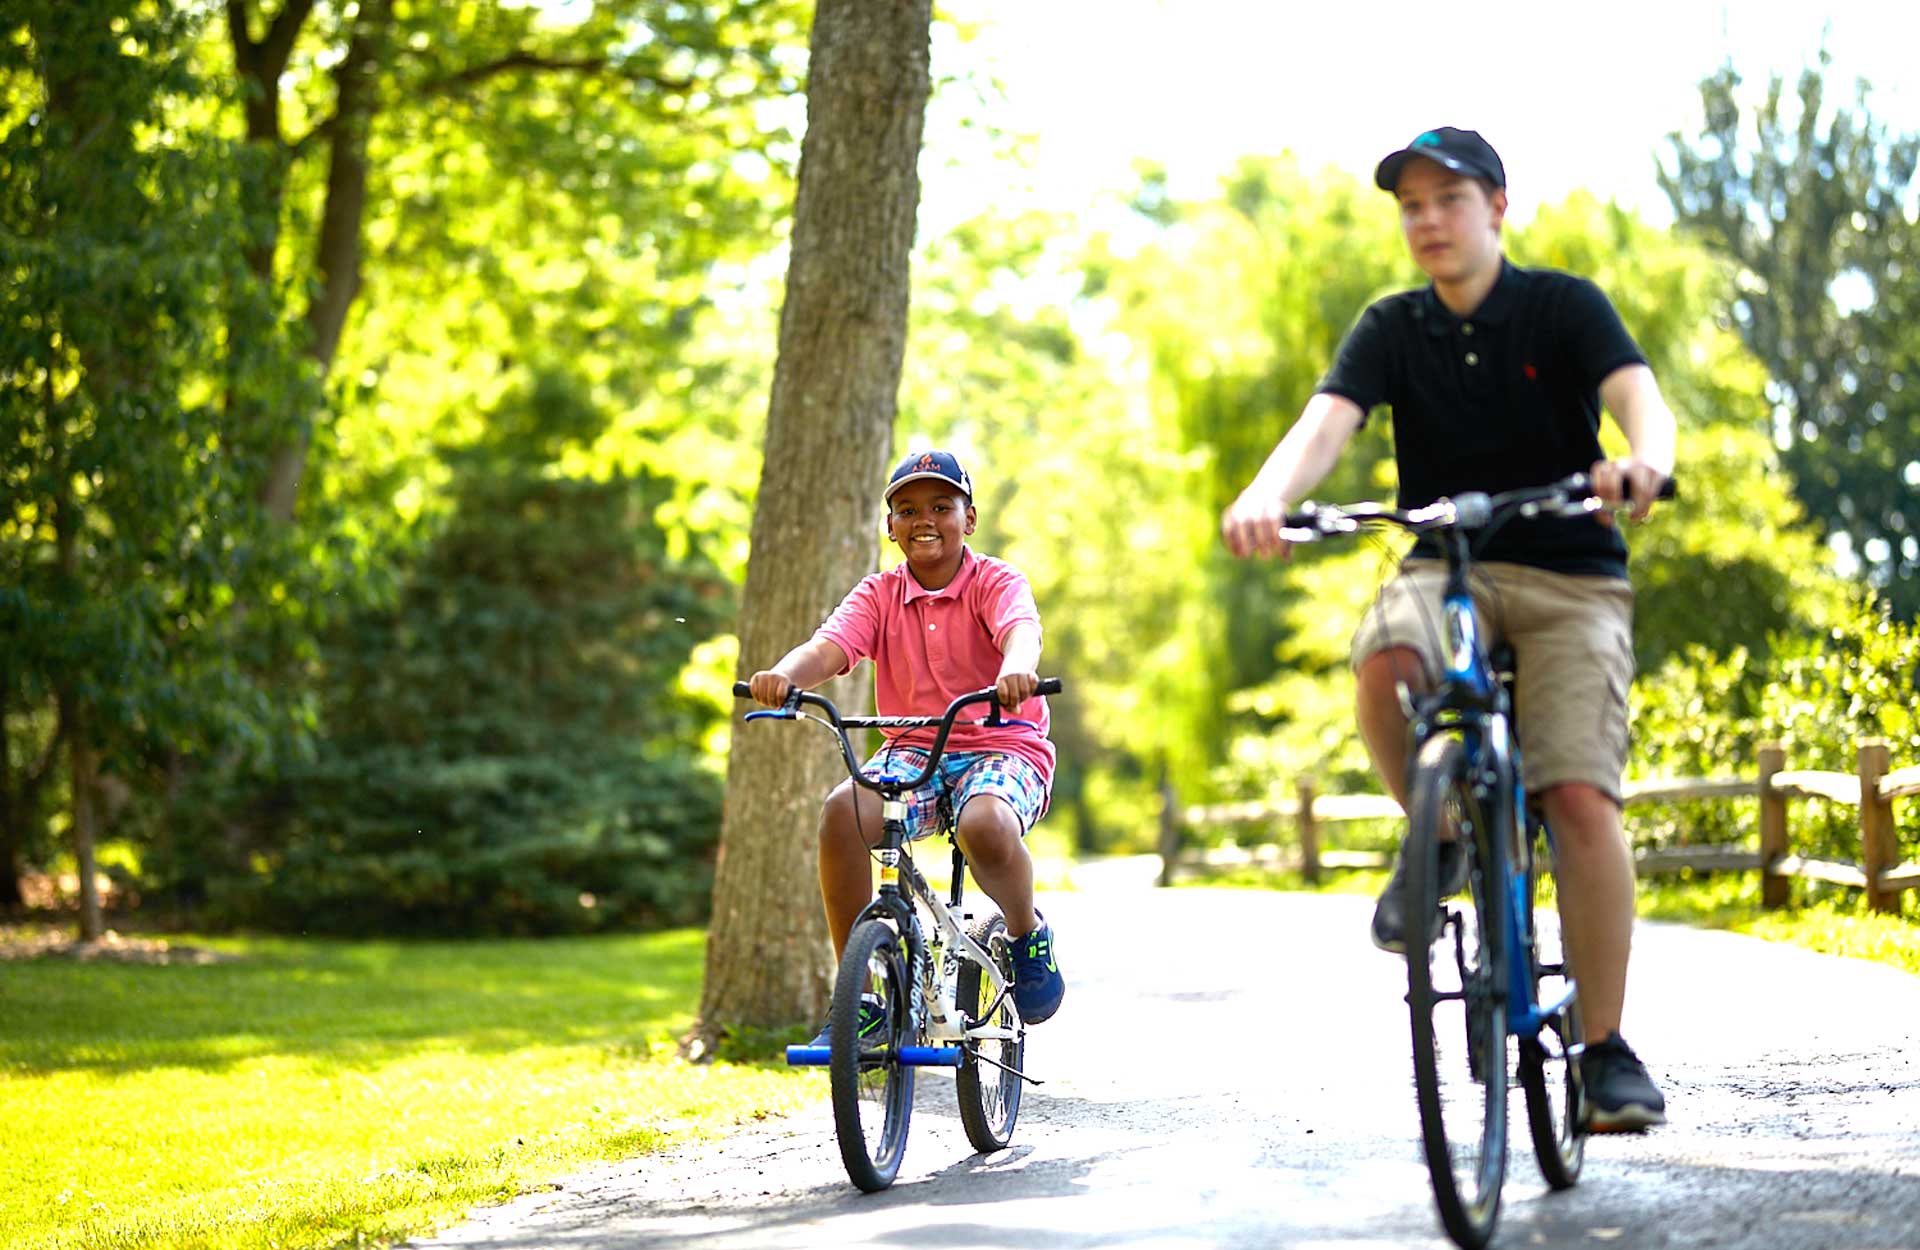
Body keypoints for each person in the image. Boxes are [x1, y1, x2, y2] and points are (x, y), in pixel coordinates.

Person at [1219, 127, 1675, 1132]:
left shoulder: (1561, 306)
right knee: (1384, 655)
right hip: (1443, 564)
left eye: (1447, 199)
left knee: (1578, 797)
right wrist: (1264, 494)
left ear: (1497, 206)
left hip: (1570, 574)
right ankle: (1442, 829)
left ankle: (1604, 1052)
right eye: (1411, 205)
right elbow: (1327, 422)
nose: (1427, 219)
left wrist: (1643, 458)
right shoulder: (1392, 326)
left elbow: (1638, 398)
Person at [748, 448, 1065, 1042]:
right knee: (842, 812)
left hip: (1001, 744)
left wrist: (1017, 669)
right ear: (890, 529)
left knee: (986, 827)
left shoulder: (996, 581)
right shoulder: (877, 595)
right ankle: (862, 996)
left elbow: (1021, 631)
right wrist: (786, 674)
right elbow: (829, 647)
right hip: (915, 748)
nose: (925, 519)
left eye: (942, 506)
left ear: (968, 518)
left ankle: (1026, 933)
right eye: (908, 509)